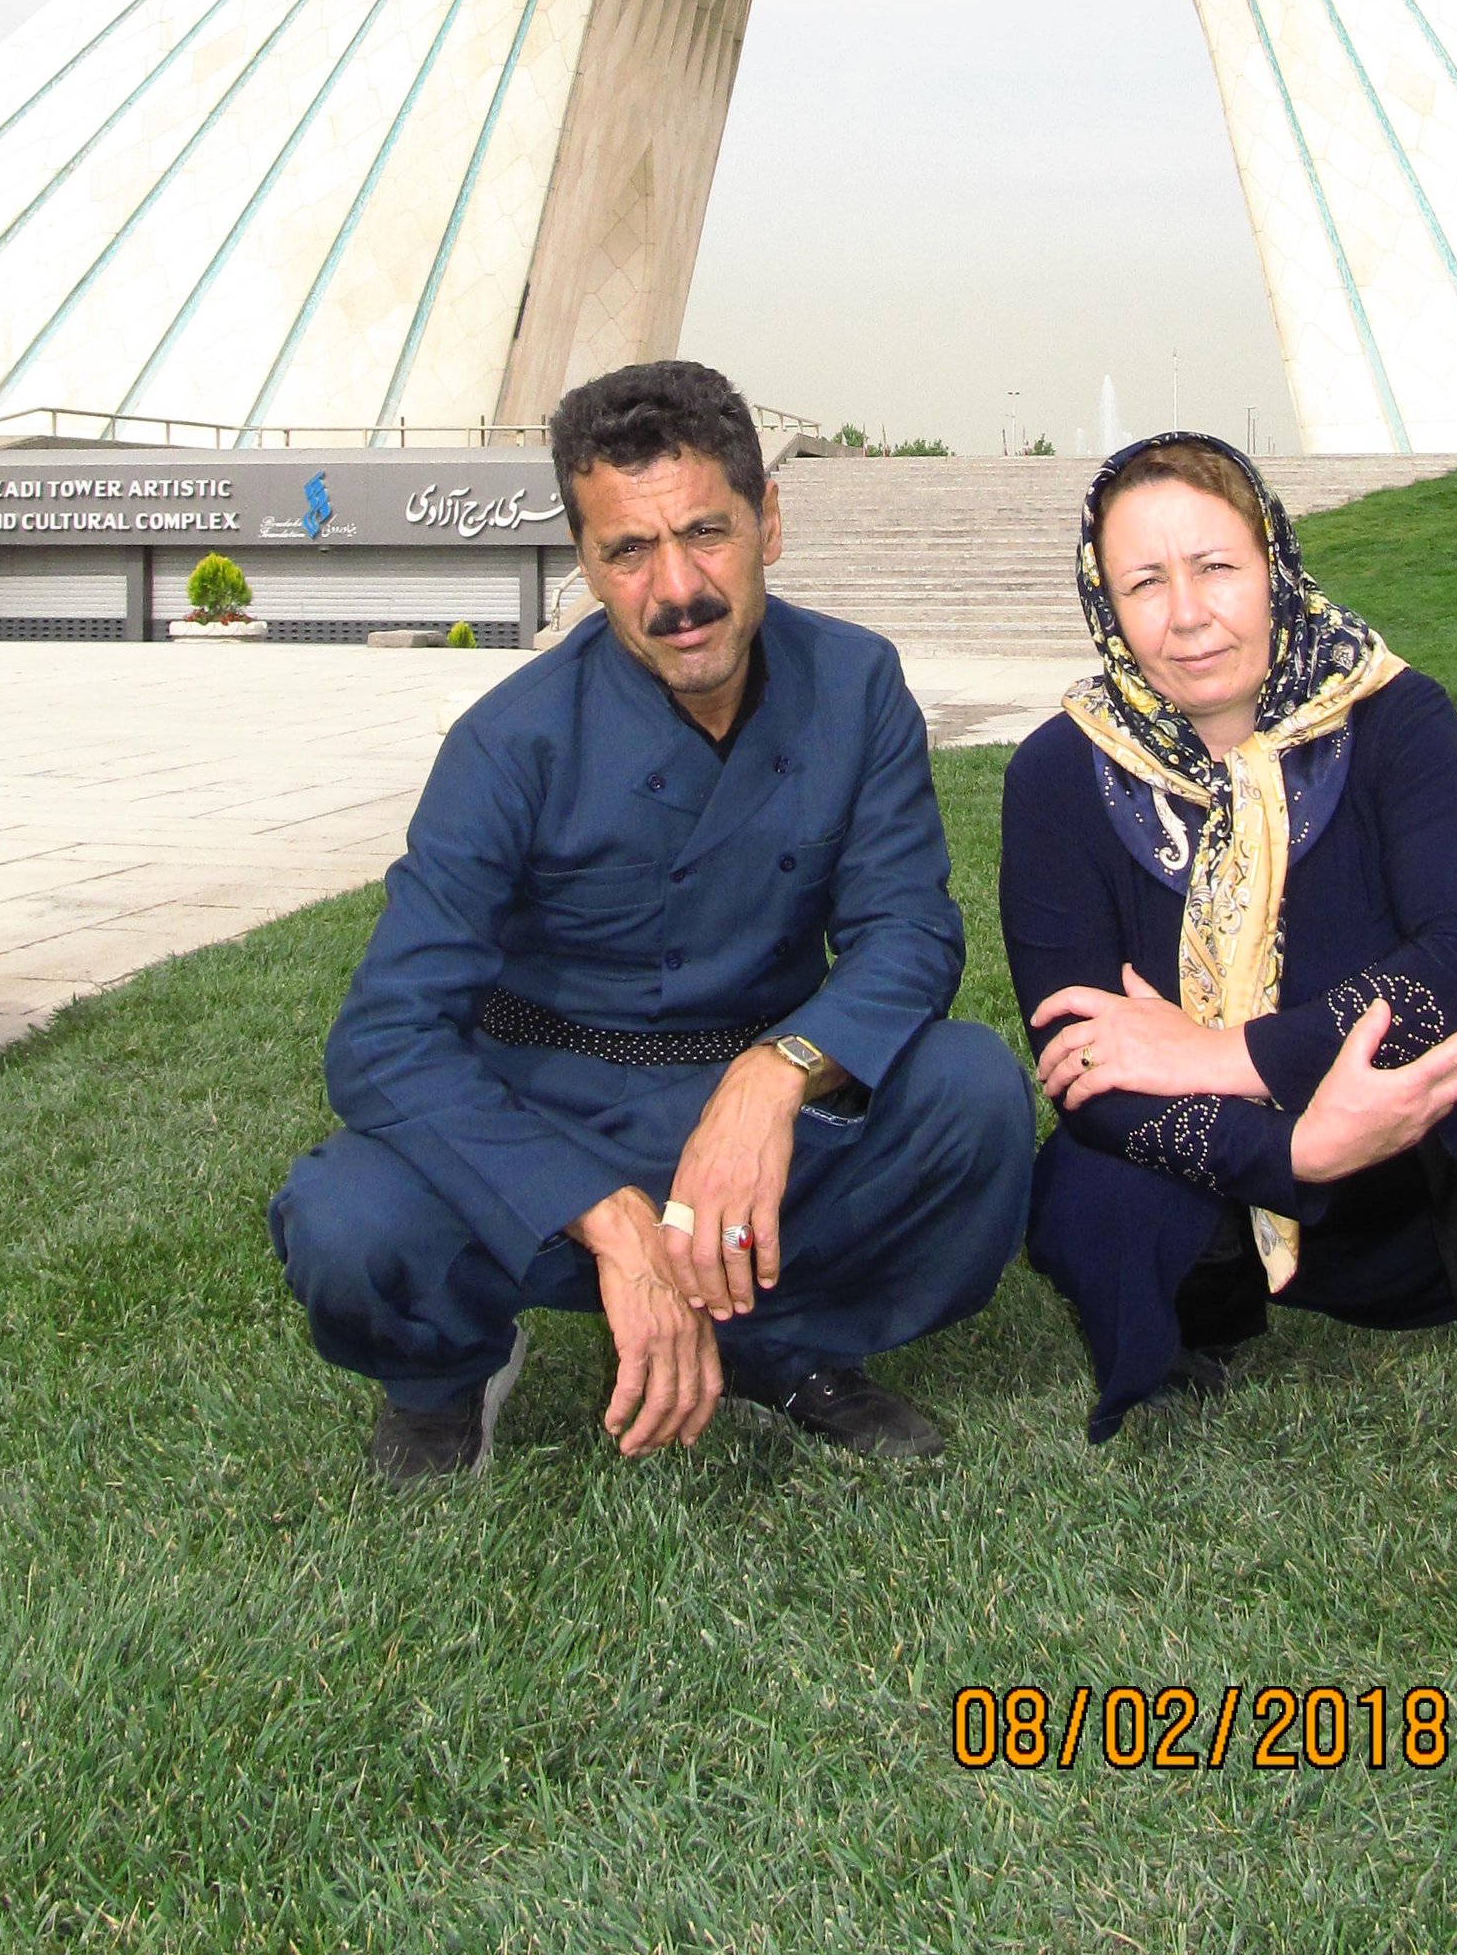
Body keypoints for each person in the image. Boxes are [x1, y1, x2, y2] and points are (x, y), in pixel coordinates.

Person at [272, 359, 1034, 1484]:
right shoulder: (508, 742)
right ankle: (448, 1373)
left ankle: (787, 1339)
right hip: (539, 1108)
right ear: (585, 563)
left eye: (706, 534)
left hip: (752, 1117)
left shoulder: (857, 684)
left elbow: (908, 934)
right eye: (627, 551)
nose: (677, 589)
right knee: (347, 1220)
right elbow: (383, 1038)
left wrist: (774, 1078)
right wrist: (604, 1216)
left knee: (972, 1096)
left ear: (768, 521)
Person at [998, 433, 1457, 1491]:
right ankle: (1187, 1333)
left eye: (1216, 568)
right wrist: (1296, 1152)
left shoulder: (1391, 717)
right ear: (1104, 604)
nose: (1188, 614)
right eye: (1144, 584)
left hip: (1409, 1185)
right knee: (1090, 1176)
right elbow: (1078, 1059)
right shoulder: (1059, 776)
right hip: (1217, 1186)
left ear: (1274, 564)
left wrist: (1225, 1054)